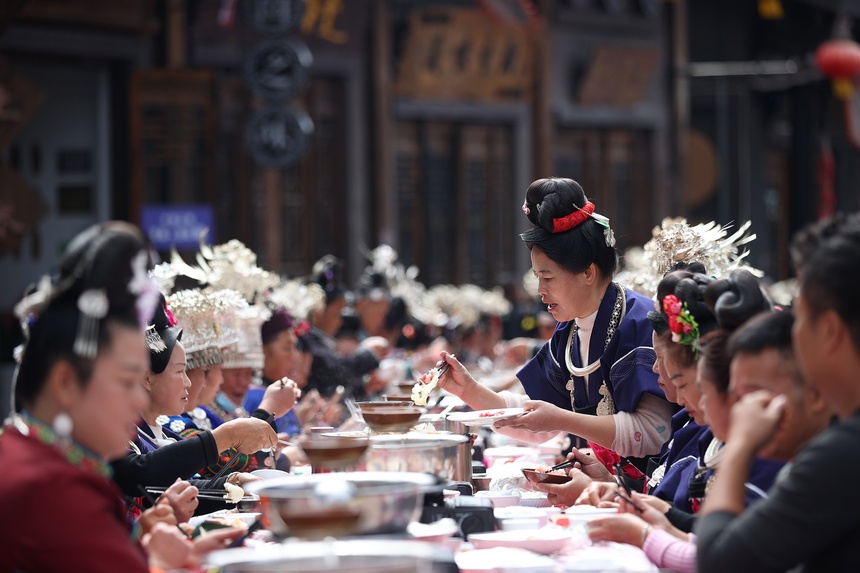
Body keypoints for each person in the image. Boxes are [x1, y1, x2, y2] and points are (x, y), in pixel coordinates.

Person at [0, 222, 240, 572]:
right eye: (126, 381)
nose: (137, 400)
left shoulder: (28, 455)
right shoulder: (50, 490)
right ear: (66, 382)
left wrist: (143, 537)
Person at [438, 178, 672, 478]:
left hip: (649, 493)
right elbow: (540, 422)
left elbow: (653, 431)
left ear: (587, 272)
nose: (540, 290)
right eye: (537, 277)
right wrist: (470, 391)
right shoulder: (569, 331)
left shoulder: (639, 322)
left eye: (547, 278)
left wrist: (563, 419)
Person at [697, 212, 860, 572]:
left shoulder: (845, 451)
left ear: (830, 330)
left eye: (800, 316)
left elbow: (722, 562)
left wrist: (739, 445)